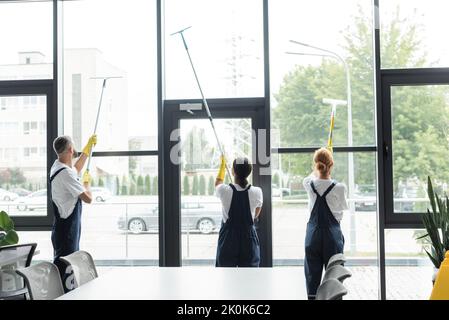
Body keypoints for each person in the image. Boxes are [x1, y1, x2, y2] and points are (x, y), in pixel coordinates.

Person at [49, 134, 97, 291]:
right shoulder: (65, 173)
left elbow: (74, 169)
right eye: (74, 147)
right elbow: (88, 198)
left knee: (65, 271)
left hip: (62, 229)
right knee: (66, 274)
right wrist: (86, 183)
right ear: (70, 149)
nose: (75, 150)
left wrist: (86, 151)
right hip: (67, 232)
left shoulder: (58, 166)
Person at [303, 147, 348, 299]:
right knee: (334, 279)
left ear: (315, 165)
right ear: (331, 165)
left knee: (312, 279)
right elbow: (342, 210)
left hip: (313, 236)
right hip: (332, 236)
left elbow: (311, 176)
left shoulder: (309, 185)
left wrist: (318, 167)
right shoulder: (340, 188)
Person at [215, 157, 263, 267]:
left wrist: (222, 166)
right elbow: (255, 215)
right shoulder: (257, 191)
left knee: (225, 273)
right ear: (249, 172)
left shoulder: (224, 190)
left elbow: (218, 183)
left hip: (228, 238)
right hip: (248, 238)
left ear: (233, 171)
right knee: (249, 276)